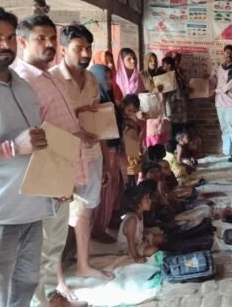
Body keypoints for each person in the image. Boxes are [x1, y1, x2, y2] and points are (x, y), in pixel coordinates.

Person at [0, 7, 54, 306]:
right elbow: (19, 146)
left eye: (10, 37)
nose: (5, 44)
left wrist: (54, 182)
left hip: (32, 208)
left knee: (25, 286)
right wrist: (11, 148)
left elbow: (34, 143)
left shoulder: (23, 86)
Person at [15, 15, 95, 305]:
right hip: (46, 179)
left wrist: (80, 133)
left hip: (63, 175)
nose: (49, 44)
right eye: (41, 38)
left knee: (53, 247)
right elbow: (31, 136)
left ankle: (51, 298)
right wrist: (55, 181)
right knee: (41, 249)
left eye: (52, 38)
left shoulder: (49, 77)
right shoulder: (22, 82)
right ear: (22, 42)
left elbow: (58, 122)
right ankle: (41, 301)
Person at [50, 24, 114, 282]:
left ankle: (83, 265)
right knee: (57, 220)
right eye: (79, 48)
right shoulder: (52, 80)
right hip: (63, 157)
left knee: (86, 211)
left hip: (91, 155)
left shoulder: (91, 80)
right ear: (63, 49)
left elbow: (97, 122)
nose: (86, 53)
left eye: (88, 47)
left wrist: (106, 161)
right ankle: (58, 282)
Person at [89, 64, 124, 246]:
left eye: (111, 78)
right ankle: (98, 229)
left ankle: (108, 220)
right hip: (106, 150)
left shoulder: (109, 99)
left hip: (114, 148)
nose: (110, 82)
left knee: (113, 189)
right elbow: (101, 131)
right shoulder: (98, 102)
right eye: (106, 78)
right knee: (106, 191)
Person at [212, 44, 232, 156]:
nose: (228, 54)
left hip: (231, 102)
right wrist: (208, 82)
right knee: (224, 128)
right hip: (220, 102)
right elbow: (215, 81)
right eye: (226, 52)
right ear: (224, 53)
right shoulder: (220, 68)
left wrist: (216, 90)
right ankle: (226, 151)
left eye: (231, 52)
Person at [118, 185, 163, 263]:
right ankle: (139, 253)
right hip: (129, 249)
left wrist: (146, 236)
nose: (150, 201)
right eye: (146, 199)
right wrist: (136, 257)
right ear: (138, 204)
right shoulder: (132, 220)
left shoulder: (140, 214)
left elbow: (140, 231)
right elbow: (130, 241)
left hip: (139, 242)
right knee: (154, 250)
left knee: (161, 238)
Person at [121, 94, 143, 188]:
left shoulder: (134, 121)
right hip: (127, 156)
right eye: (129, 110)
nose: (131, 113)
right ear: (123, 106)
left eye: (134, 111)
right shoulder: (123, 121)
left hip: (133, 155)